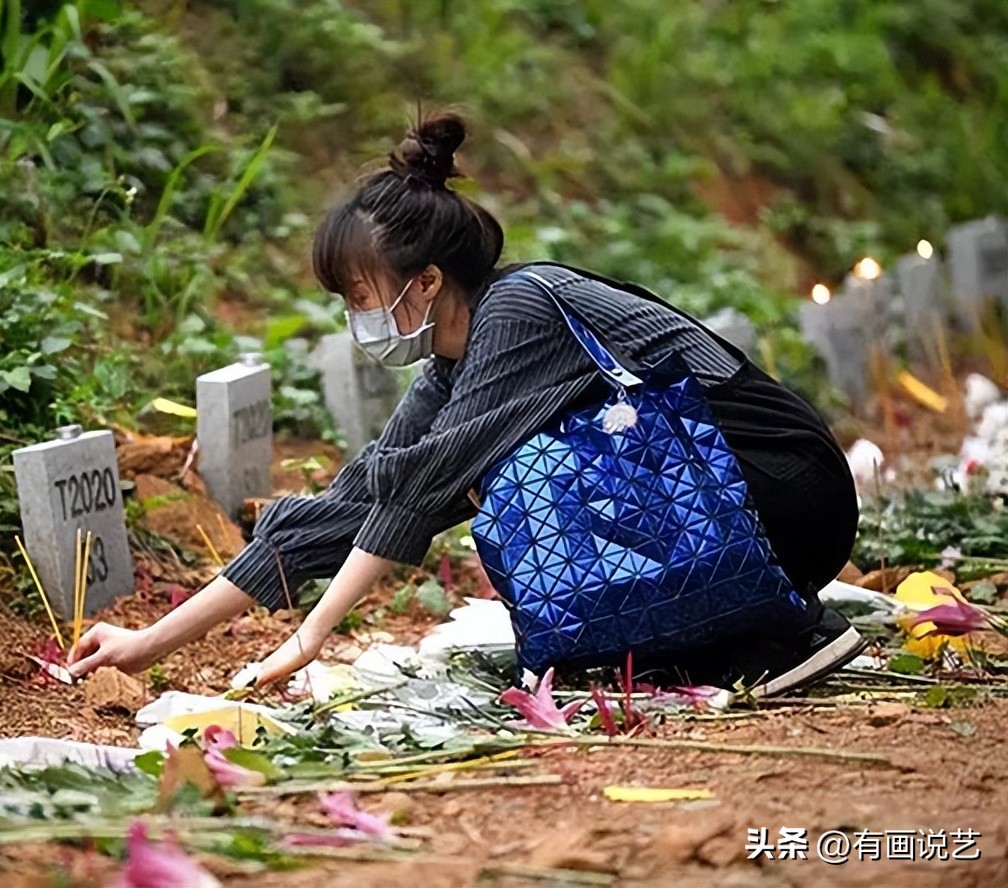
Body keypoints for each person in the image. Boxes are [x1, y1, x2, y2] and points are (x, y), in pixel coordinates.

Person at [68, 112, 864, 696]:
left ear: (426, 283)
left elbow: (424, 490)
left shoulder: (522, 313)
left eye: (358, 294)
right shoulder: (451, 367)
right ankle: (714, 634)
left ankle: (767, 630)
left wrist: (311, 635)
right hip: (730, 503)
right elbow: (361, 499)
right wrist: (148, 643)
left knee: (510, 477)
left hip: (783, 492)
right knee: (498, 495)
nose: (355, 317)